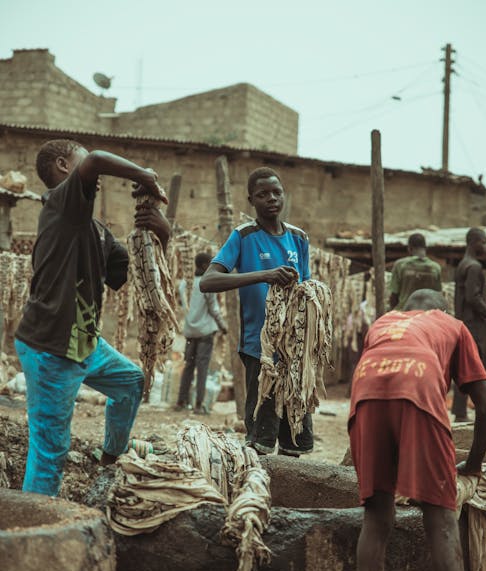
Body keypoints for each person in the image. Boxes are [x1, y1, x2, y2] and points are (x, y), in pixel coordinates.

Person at [15, 139, 170, 496]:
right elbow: (98, 160)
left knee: (130, 381)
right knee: (51, 449)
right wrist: (145, 176)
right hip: (50, 348)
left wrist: (161, 231)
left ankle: (111, 457)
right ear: (63, 166)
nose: (95, 175)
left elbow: (135, 271)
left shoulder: (96, 231)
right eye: (80, 161)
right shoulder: (60, 205)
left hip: (83, 342)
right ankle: (38, 527)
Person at [349, 288, 486, 571]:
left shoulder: (382, 323)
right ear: (441, 309)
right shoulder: (453, 325)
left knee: (376, 515)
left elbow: (389, 402)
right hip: (418, 387)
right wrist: (471, 467)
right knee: (442, 522)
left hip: (364, 395)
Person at [200, 167, 313, 456]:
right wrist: (263, 275)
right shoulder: (243, 236)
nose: (271, 199)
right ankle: (255, 489)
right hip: (259, 348)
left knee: (293, 440)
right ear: (251, 200)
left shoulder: (299, 239)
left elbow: (308, 289)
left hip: (294, 351)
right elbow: (208, 281)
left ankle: (289, 494)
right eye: (263, 194)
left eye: (277, 192)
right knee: (261, 439)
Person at [452, 227, 486, 422]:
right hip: (475, 326)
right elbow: (473, 298)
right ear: (474, 242)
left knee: (464, 367)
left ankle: (461, 412)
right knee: (474, 369)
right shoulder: (474, 267)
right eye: (484, 242)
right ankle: (477, 411)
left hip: (465, 323)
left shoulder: (463, 265)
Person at [175, 252, 228, 414]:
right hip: (205, 332)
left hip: (190, 331)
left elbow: (184, 306)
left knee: (189, 366)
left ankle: (181, 402)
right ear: (205, 265)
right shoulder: (208, 284)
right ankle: (199, 405)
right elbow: (213, 309)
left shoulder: (185, 284)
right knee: (202, 367)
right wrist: (223, 326)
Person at [389, 233, 442, 310]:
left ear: (409, 248)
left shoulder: (400, 265)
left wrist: (392, 313)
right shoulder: (435, 268)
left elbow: (394, 295)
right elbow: (438, 296)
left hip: (405, 313)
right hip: (427, 314)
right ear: (425, 248)